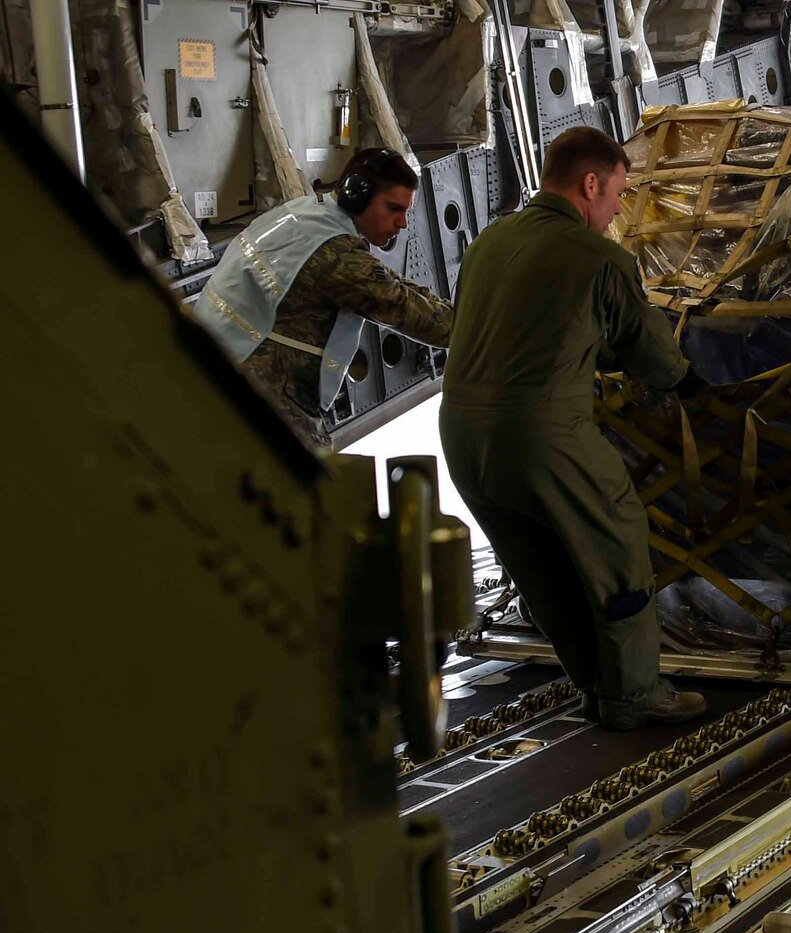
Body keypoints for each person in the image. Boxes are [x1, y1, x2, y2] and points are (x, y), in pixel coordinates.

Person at [440, 127, 705, 729]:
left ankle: (594, 683)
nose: (615, 213)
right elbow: (652, 354)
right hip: (543, 435)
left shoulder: (487, 244)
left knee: (542, 567)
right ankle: (635, 695)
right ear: (590, 184)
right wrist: (687, 380)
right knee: (615, 546)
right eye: (615, 196)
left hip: (461, 436)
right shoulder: (599, 259)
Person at [191, 148, 454, 445]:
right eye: (394, 209)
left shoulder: (303, 214)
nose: (402, 223)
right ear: (358, 196)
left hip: (213, 374)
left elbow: (387, 280)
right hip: (260, 397)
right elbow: (410, 312)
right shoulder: (336, 257)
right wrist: (486, 326)